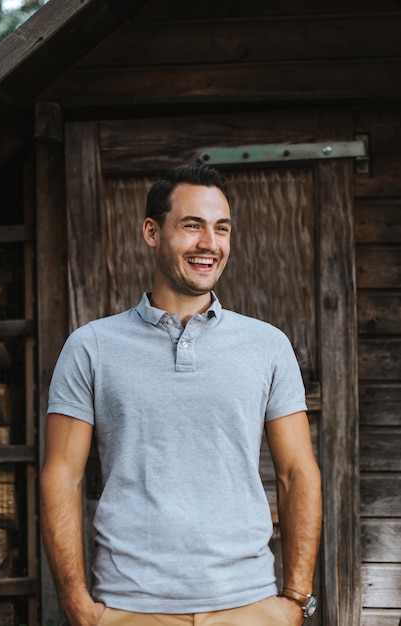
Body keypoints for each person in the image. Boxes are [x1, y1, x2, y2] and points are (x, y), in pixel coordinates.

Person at [40, 163, 322, 626]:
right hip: (130, 606)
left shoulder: (268, 345)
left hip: (249, 605)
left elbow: (297, 473)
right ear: (152, 231)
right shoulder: (91, 346)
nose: (210, 243)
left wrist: (295, 599)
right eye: (192, 226)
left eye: (221, 228)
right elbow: (61, 477)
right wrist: (78, 606)